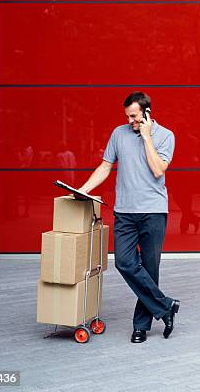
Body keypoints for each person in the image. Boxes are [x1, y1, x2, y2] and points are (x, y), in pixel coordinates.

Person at [78, 91, 180, 343]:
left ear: (147, 112)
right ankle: (165, 306)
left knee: (150, 267)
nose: (130, 121)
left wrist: (146, 138)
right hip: (124, 211)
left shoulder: (166, 136)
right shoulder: (118, 134)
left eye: (134, 117)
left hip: (153, 211)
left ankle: (141, 326)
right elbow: (105, 166)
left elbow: (158, 169)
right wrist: (84, 189)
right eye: (127, 117)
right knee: (124, 262)